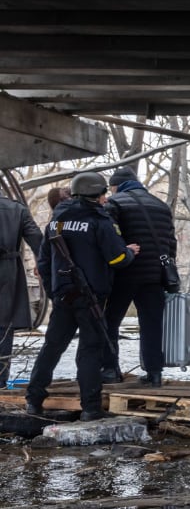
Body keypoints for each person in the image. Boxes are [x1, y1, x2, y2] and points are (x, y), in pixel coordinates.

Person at [25, 172, 139, 419]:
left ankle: (33, 401)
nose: (105, 198)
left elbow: (43, 261)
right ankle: (90, 407)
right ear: (97, 195)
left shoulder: (56, 221)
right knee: (90, 350)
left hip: (63, 295)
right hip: (90, 297)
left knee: (52, 348)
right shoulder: (99, 221)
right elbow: (116, 258)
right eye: (103, 194)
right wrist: (129, 252)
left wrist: (55, 289)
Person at [100, 166, 177, 387]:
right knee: (151, 325)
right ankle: (154, 374)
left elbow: (109, 237)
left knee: (110, 322)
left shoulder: (115, 203)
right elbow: (171, 243)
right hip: (155, 275)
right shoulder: (161, 205)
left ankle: (110, 369)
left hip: (125, 272)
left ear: (115, 186)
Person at [0, 194, 43, 389]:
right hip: (8, 270)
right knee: (4, 326)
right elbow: (37, 239)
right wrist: (42, 265)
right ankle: (0, 380)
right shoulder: (16, 208)